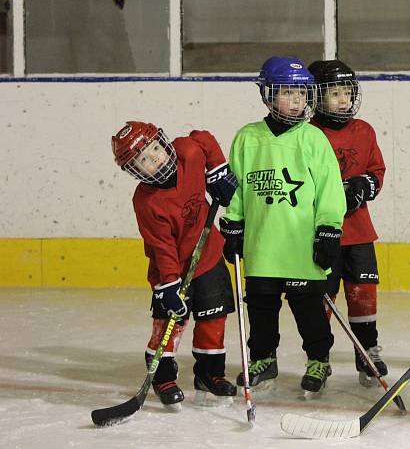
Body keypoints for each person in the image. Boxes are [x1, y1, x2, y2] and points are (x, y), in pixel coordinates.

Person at [219, 56, 346, 398]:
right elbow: (237, 186)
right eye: (288, 93)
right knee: (260, 307)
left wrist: (329, 229)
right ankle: (263, 358)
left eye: (303, 94)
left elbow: (330, 189)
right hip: (262, 246)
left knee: (309, 310)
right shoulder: (248, 138)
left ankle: (318, 359)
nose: (297, 101)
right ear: (267, 95)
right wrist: (232, 223)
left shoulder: (313, 139)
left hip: (301, 245)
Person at [111, 121, 239, 410]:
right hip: (172, 272)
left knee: (213, 318)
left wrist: (218, 170)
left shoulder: (187, 154)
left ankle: (210, 375)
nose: (154, 158)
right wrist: (169, 285)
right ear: (135, 171)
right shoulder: (147, 202)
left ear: (163, 143)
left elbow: (204, 138)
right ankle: (163, 377)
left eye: (155, 149)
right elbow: (162, 247)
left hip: (208, 257)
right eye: (143, 160)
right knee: (170, 324)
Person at [308, 59, 388, 387]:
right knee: (320, 299)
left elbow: (377, 172)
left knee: (363, 294)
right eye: (334, 93)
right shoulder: (308, 134)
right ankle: (319, 358)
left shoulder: (364, 130)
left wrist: (362, 186)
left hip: (358, 233)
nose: (343, 99)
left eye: (347, 92)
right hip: (321, 235)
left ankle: (367, 350)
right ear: (316, 97)